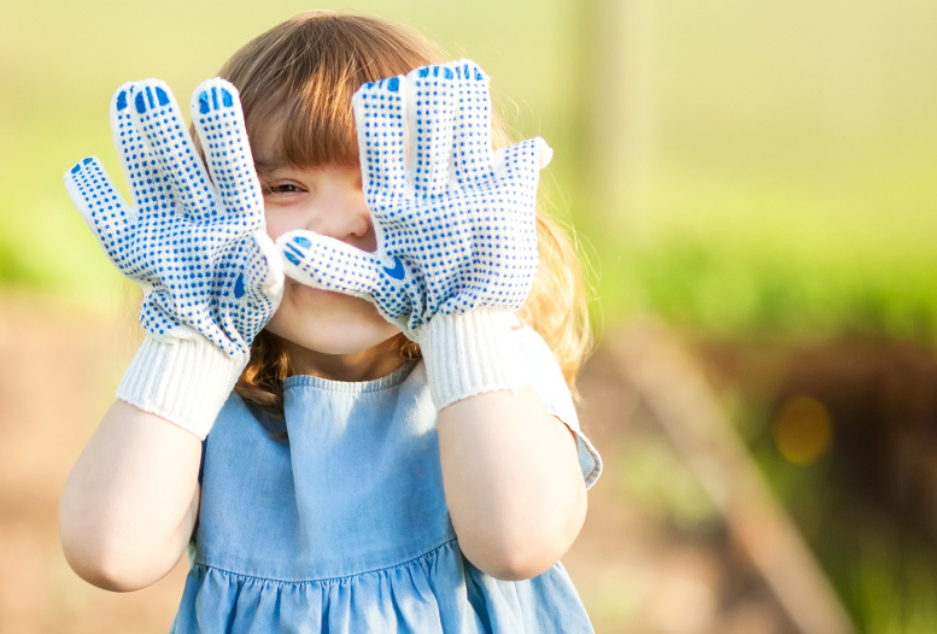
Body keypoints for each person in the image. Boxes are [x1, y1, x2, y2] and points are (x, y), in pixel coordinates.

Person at [59, 10, 603, 633]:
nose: (341, 225)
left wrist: (458, 321)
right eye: (287, 187)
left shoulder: (497, 364)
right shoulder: (205, 395)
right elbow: (110, 554)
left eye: (382, 180)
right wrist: (194, 339)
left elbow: (517, 542)